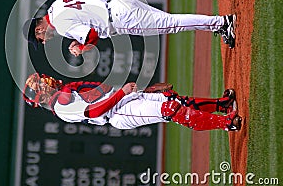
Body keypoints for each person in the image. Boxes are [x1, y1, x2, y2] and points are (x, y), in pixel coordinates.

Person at [23, 73, 242, 131]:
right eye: (40, 85)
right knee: (170, 109)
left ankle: (221, 105)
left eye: (40, 80)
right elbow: (93, 113)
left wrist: (144, 90)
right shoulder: (61, 104)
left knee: (172, 99)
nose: (44, 81)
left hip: (121, 101)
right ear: (41, 97)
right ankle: (227, 123)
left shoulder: (64, 94)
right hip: (117, 112)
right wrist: (122, 95)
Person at [23, 0, 237, 55]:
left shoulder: (60, 26)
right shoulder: (56, 4)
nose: (43, 42)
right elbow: (85, 19)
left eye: (39, 39)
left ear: (39, 29)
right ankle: (217, 25)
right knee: (170, 21)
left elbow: (91, 34)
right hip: (118, 3)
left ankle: (221, 22)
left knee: (172, 24)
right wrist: (78, 39)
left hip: (122, 20)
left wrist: (80, 48)